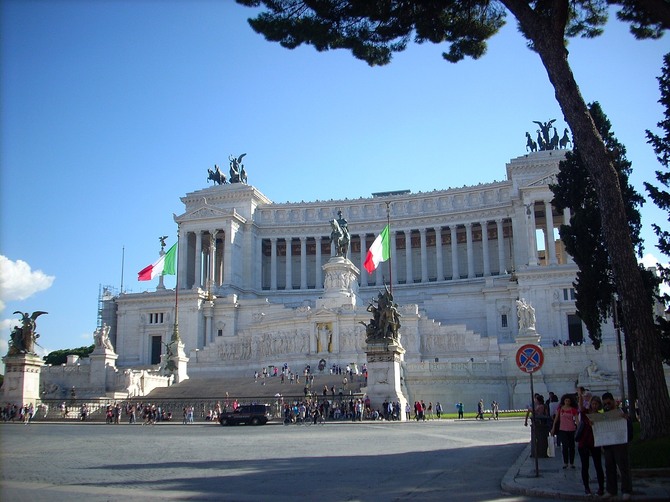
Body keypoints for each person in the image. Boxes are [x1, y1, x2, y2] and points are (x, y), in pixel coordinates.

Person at [601, 392, 632, 500]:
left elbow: (628, 424)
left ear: (613, 401)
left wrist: (625, 418)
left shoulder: (621, 411)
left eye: (608, 403)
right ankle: (611, 490)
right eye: (605, 404)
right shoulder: (604, 413)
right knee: (609, 468)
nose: (607, 405)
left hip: (620, 442)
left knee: (623, 467)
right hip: (609, 444)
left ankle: (626, 490)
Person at [577, 395, 605, 496]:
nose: (594, 406)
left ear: (599, 405)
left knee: (598, 466)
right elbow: (580, 407)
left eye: (596, 404)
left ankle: (601, 488)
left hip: (595, 442)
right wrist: (580, 396)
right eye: (593, 403)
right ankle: (587, 488)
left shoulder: (600, 416)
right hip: (584, 442)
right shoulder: (585, 413)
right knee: (585, 466)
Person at [551, 393, 578, 468]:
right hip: (562, 429)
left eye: (568, 401)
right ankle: (565, 462)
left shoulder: (573, 410)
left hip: (571, 429)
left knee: (572, 447)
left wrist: (579, 428)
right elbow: (556, 419)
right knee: (565, 446)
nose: (567, 402)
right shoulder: (560, 409)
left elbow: (577, 420)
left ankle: (572, 463)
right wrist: (553, 427)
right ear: (563, 401)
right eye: (566, 401)